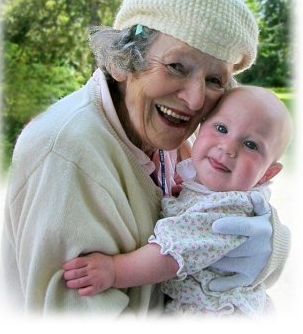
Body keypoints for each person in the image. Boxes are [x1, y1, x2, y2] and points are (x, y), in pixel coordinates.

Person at [1, 0, 290, 317]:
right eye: (176, 66)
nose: (196, 99)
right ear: (125, 62)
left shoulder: (178, 134)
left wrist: (271, 252)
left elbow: (231, 215)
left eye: (215, 80)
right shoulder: (67, 154)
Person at [62, 86, 293, 318]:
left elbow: (169, 256)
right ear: (201, 128)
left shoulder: (227, 208)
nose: (228, 148)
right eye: (221, 128)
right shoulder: (207, 184)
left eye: (251, 145)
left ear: (267, 174)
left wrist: (114, 270)